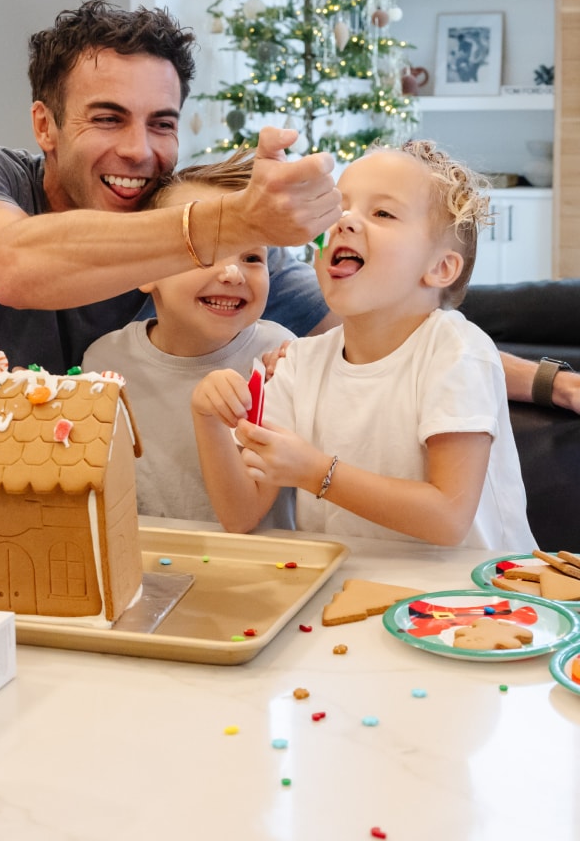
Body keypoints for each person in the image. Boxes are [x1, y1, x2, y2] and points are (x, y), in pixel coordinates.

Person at [0, 0, 343, 480]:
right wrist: (228, 222)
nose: (137, 150)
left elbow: (363, 324)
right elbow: (12, 265)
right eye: (108, 118)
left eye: (161, 124)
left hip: (77, 534)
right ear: (45, 125)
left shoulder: (217, 239)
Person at [191, 141, 534, 549]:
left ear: (440, 268)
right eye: (338, 209)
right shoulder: (299, 363)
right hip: (351, 594)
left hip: (476, 599)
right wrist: (208, 419)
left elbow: (448, 518)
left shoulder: (455, 350)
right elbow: (241, 514)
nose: (345, 221)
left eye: (383, 213)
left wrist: (315, 472)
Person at [82, 152, 294, 527]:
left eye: (252, 257)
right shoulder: (104, 361)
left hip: (262, 571)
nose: (232, 273)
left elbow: (246, 514)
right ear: (146, 269)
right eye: (207, 252)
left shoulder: (277, 356)